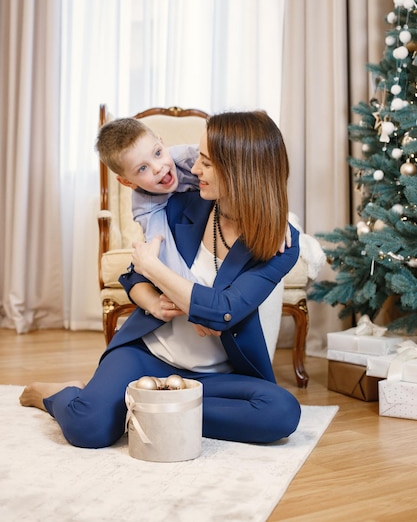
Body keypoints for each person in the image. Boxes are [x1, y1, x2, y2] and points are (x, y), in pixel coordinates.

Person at [20, 110, 301, 449]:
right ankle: (58, 395)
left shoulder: (281, 244)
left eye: (206, 163)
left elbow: (223, 311)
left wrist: (155, 269)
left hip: (217, 375)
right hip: (147, 354)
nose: (193, 169)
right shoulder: (175, 201)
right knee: (87, 427)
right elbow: (133, 271)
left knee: (281, 413)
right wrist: (148, 284)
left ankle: (139, 406)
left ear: (241, 171)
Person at [95, 117, 199, 279]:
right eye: (142, 168)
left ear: (162, 142)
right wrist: (191, 293)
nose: (158, 168)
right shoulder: (144, 207)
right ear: (127, 182)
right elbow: (165, 253)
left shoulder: (191, 157)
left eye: (158, 153)